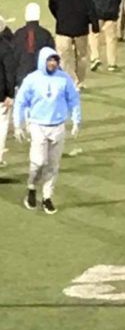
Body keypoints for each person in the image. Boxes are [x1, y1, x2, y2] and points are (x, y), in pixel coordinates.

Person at [13, 47, 81, 215]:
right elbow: (20, 101)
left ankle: (47, 197)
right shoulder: (32, 79)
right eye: (49, 60)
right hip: (37, 125)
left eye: (55, 60)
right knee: (38, 162)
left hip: (58, 125)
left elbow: (74, 99)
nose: (52, 63)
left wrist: (76, 120)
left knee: (53, 164)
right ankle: (31, 186)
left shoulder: (64, 79)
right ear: (43, 61)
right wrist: (18, 124)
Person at [48, 0, 99, 89]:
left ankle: (71, 80)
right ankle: (80, 81)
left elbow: (52, 5)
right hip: (80, 28)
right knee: (81, 56)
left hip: (63, 28)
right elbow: (91, 8)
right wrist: (94, 24)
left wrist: (60, 17)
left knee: (64, 57)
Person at [12, 3, 55, 90]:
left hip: (21, 78)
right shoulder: (46, 34)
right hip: (42, 78)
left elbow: (12, 59)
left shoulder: (18, 34)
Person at [0, 16, 15, 165]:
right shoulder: (5, 48)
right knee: (2, 126)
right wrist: (10, 94)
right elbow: (9, 73)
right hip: (1, 95)